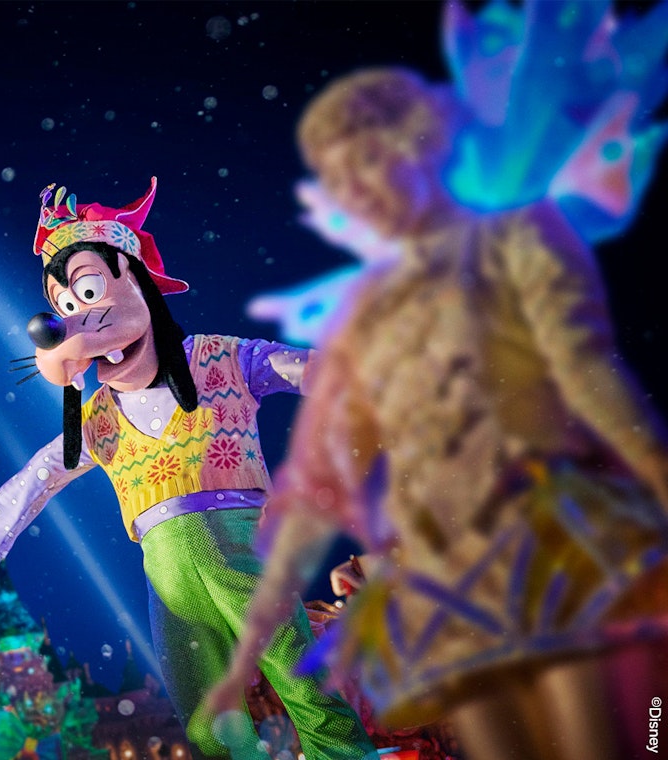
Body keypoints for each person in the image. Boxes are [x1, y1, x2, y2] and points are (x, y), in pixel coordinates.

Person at [204, 67, 668, 760]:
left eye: (365, 158)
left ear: (418, 145)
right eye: (337, 173)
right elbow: (318, 476)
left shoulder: (516, 237)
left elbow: (586, 372)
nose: (355, 189)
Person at [0, 178, 377, 759]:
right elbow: (40, 474)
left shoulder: (219, 359)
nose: (79, 323)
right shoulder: (98, 419)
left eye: (89, 290)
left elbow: (307, 369)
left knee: (301, 683)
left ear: (136, 282)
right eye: (64, 308)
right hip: (165, 574)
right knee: (205, 713)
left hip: (244, 548)